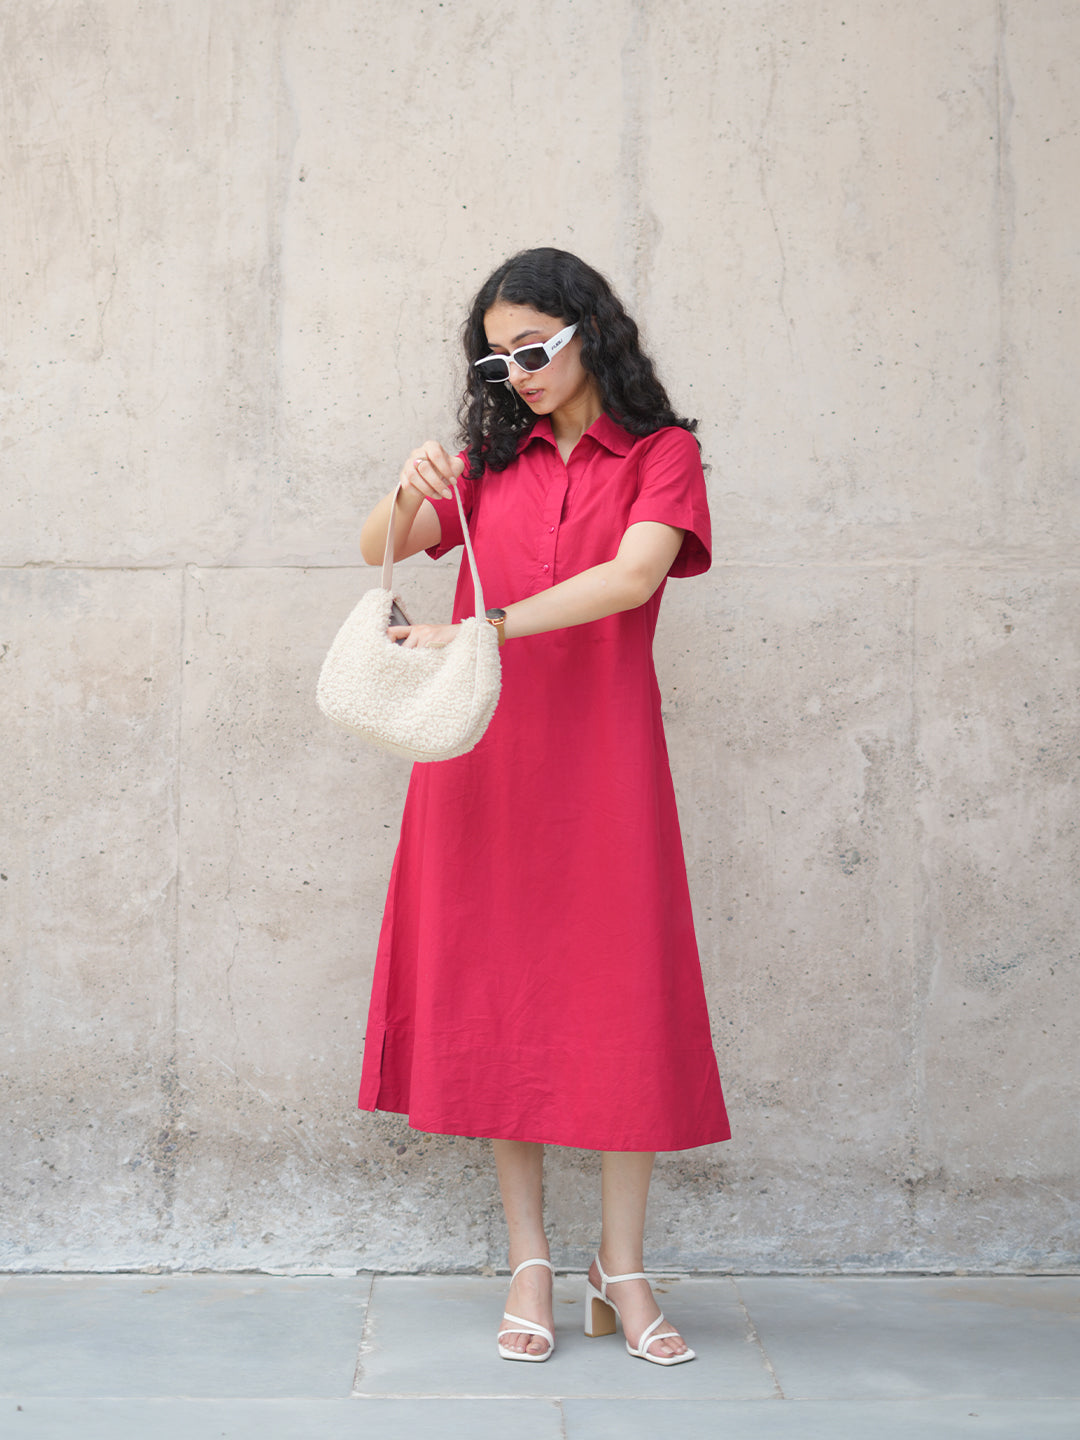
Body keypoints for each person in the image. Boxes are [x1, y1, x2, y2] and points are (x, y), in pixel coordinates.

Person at [357, 247, 730, 1366]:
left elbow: (631, 577)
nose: (516, 373)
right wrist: (410, 487)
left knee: (622, 1008)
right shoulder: (488, 459)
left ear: (589, 332)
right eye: (497, 356)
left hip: (607, 762)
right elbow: (377, 550)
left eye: (535, 349)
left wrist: (485, 627)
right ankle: (530, 1258)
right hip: (484, 763)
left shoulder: (662, 454)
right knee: (500, 1006)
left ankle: (622, 1267)